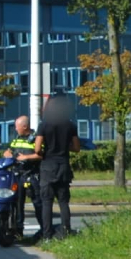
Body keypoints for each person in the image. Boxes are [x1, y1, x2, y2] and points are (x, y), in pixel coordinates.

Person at [35, 97, 80, 240]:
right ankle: (66, 232)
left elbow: (37, 148)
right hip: (64, 166)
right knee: (63, 202)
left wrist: (43, 152)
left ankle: (47, 236)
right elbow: (77, 148)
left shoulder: (44, 125)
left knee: (47, 202)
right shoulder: (70, 125)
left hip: (48, 166)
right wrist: (65, 147)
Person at [3, 115, 44, 238]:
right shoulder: (16, 139)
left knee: (38, 204)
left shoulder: (36, 138)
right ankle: (18, 231)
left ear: (25, 126)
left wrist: (26, 157)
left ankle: (44, 230)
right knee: (17, 204)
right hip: (17, 175)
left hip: (32, 175)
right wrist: (8, 155)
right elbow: (7, 152)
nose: (16, 129)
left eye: (17, 126)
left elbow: (41, 155)